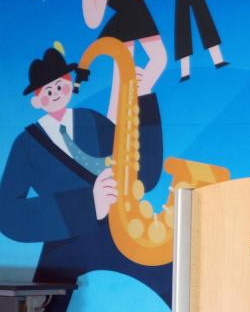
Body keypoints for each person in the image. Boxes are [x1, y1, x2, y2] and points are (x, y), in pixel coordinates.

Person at [0, 46, 171, 312]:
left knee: (172, 282)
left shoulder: (91, 120)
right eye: (47, 91)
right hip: (64, 242)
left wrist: (144, 97)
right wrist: (87, 205)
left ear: (70, 85)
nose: (56, 93)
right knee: (49, 303)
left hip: (120, 230)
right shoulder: (26, 144)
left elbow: (141, 174)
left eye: (60, 85)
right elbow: (8, 214)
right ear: (36, 101)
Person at [72, 0, 167, 120]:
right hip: (124, 27)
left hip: (142, 19)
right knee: (122, 73)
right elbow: (93, 20)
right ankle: (114, 119)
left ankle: (140, 94)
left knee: (159, 59)